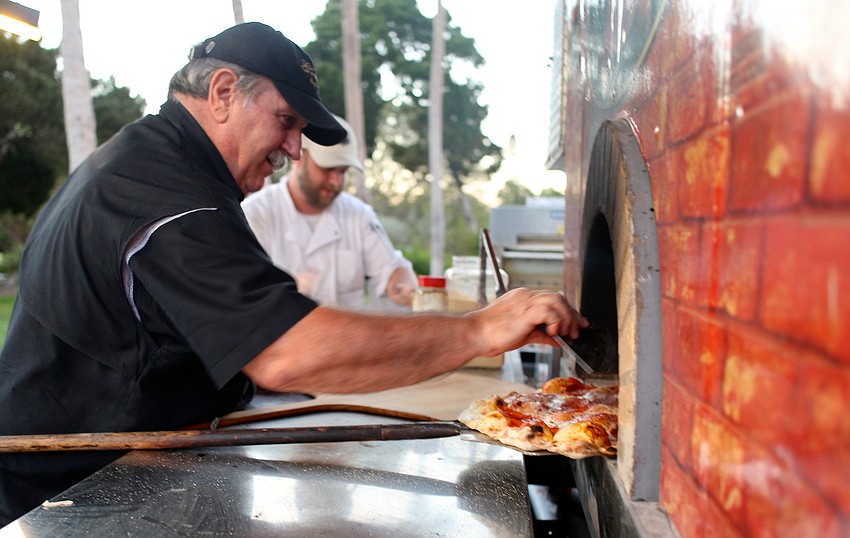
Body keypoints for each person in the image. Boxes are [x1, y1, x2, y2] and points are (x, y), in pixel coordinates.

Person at [0, 22, 587, 526]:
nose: (295, 149)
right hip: (74, 489)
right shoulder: (166, 197)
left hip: (134, 459)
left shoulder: (154, 164)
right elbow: (285, 352)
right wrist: (479, 331)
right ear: (224, 91)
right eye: (286, 121)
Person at [242, 115, 416, 309]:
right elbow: (245, 297)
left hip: (348, 337)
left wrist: (403, 286)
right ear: (299, 156)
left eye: (342, 171)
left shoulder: (358, 215)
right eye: (328, 168)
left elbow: (393, 269)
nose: (336, 181)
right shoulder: (255, 215)